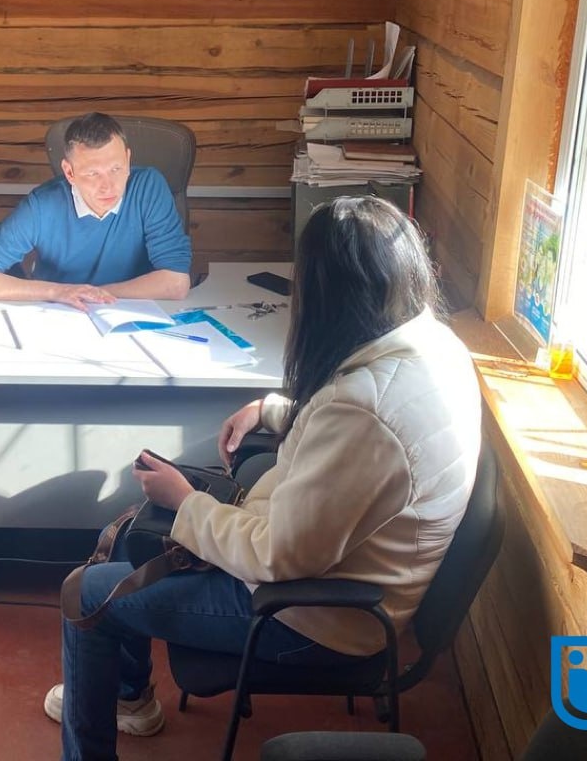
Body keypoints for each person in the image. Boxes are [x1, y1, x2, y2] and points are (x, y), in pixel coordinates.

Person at [43, 195, 483, 761]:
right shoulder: (432, 342)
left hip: (310, 618)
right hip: (344, 577)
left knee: (84, 592)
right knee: (132, 536)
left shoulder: (362, 410)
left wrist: (187, 504)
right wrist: (273, 410)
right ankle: (129, 698)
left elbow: (278, 556)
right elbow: (358, 436)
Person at [0, 112, 192, 309]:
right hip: (59, 314)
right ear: (69, 172)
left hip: (128, 313)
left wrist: (92, 294)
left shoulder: (148, 187)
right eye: (93, 173)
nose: (108, 185)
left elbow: (176, 282)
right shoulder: (43, 204)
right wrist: (59, 292)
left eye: (116, 169)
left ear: (128, 160)